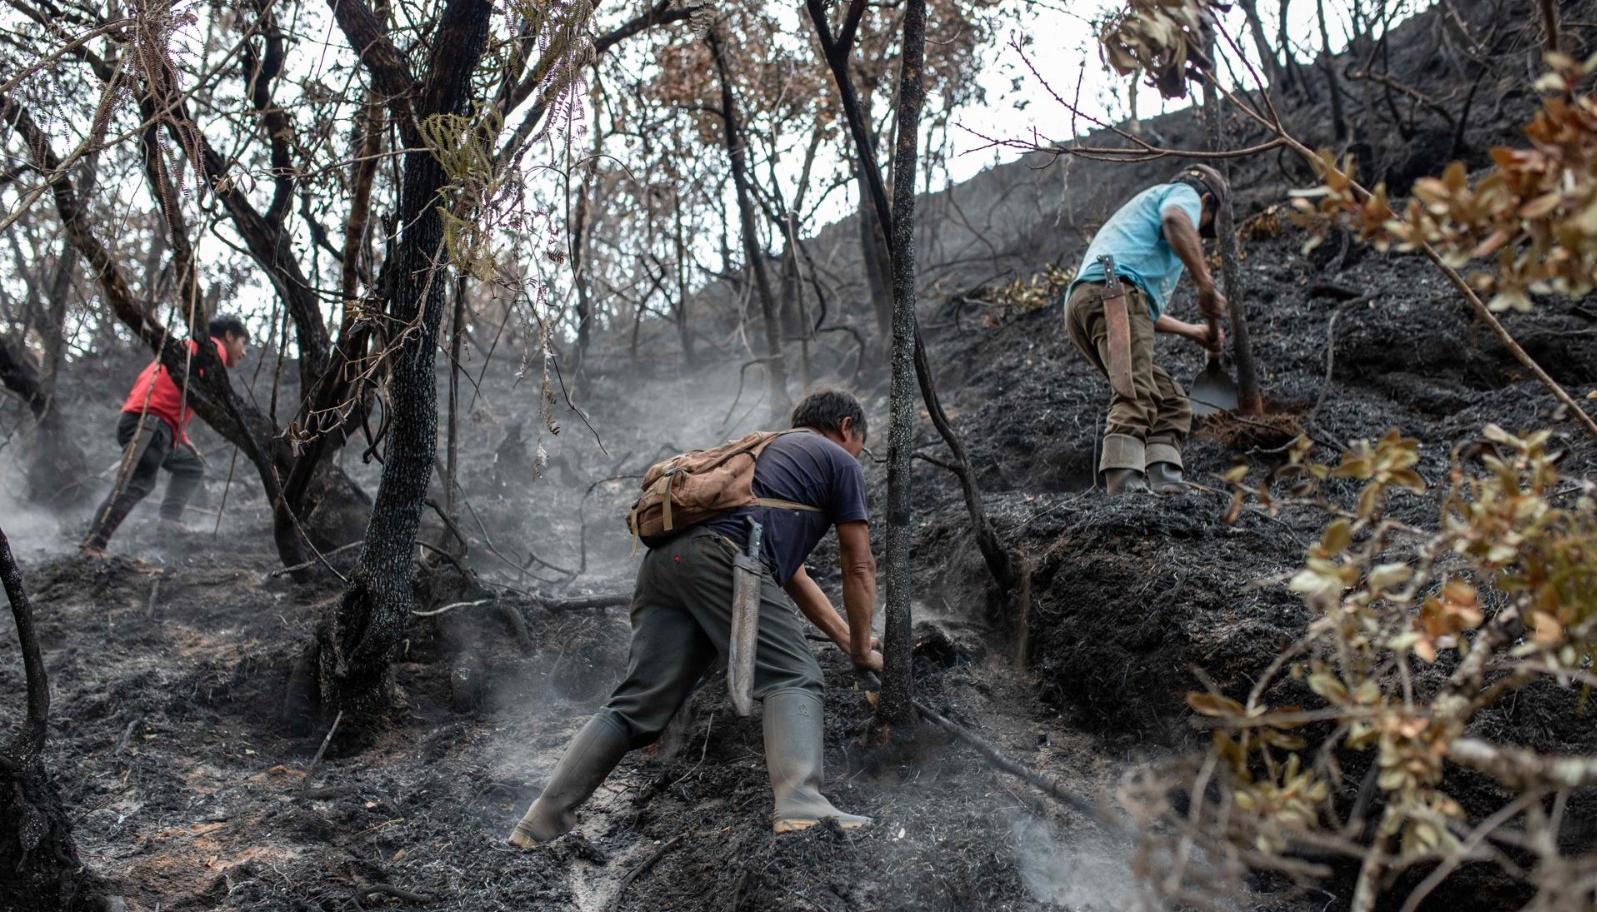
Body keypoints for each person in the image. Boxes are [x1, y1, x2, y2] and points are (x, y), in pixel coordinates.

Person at [508, 389, 882, 846]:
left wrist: (850, 643)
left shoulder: (771, 454)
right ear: (846, 428)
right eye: (859, 444)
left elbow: (795, 578)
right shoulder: (838, 460)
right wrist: (865, 653)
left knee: (638, 704)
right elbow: (858, 565)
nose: (856, 455)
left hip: (666, 564)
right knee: (795, 675)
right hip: (721, 558)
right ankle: (802, 804)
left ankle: (540, 821)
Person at [1063, 164, 1230, 495]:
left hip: (1092, 302)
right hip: (1113, 293)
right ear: (1206, 201)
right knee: (1135, 390)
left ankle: (1165, 483)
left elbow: (1140, 314)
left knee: (1170, 400)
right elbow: (1175, 220)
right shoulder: (1182, 196)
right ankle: (1125, 487)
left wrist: (1193, 331)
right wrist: (1205, 282)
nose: (1199, 234)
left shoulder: (1143, 221)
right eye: (1204, 227)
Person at [80, 316, 250, 556]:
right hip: (150, 423)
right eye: (244, 343)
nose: (243, 353)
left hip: (153, 424)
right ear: (229, 336)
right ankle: (95, 543)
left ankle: (168, 520)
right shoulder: (213, 350)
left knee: (189, 465)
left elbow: (169, 393)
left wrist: (182, 438)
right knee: (136, 482)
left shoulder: (189, 350)